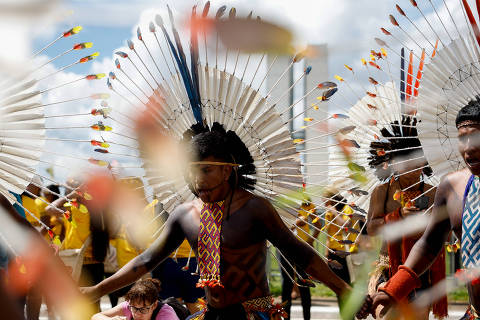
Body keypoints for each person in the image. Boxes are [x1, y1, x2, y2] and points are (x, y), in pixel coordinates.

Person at [83, 123, 352, 319]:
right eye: (192, 171)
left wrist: (343, 289)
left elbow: (299, 252)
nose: (198, 180)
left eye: (207, 170)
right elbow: (146, 260)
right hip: (211, 313)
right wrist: (97, 290)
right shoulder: (185, 213)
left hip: (253, 314)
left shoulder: (255, 208)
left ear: (226, 171)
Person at [360, 101, 480, 319]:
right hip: (395, 268)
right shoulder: (451, 186)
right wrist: (393, 288)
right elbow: (429, 243)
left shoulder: (432, 191)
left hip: (423, 277)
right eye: (463, 139)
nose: (469, 147)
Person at [46, 175, 109, 313]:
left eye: (69, 187)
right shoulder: (98, 208)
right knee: (93, 304)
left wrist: (70, 195)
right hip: (95, 261)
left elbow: (49, 209)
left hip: (77, 262)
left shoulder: (74, 207)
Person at [279, 197, 320, 320]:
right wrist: (295, 223)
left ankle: (306, 317)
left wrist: (310, 241)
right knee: (288, 284)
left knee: (303, 283)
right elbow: (279, 228)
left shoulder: (306, 201)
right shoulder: (283, 200)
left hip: (301, 247)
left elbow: (317, 224)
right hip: (285, 246)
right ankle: (287, 317)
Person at [91, 278, 180, 320]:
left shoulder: (166, 315)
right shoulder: (130, 306)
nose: (137, 314)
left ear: (154, 305)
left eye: (143, 309)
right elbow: (95, 317)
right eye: (134, 308)